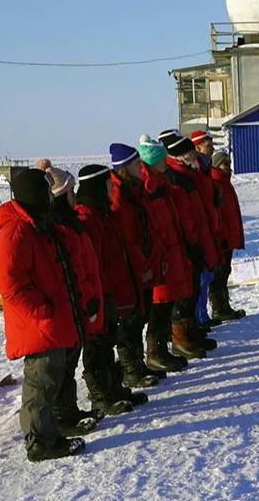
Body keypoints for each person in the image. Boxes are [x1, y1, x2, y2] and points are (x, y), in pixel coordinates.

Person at [0, 169, 87, 461]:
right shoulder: (17, 231)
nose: (51, 196)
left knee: (53, 378)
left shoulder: (38, 224)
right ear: (34, 194)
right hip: (37, 323)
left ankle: (51, 431)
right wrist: (41, 310)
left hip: (50, 320)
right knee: (40, 383)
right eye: (45, 191)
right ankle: (39, 443)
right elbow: (9, 282)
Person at [76, 163, 154, 406]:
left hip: (113, 290)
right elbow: (94, 263)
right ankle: (101, 394)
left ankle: (114, 386)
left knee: (109, 340)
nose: (112, 189)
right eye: (108, 185)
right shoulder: (88, 218)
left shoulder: (104, 214)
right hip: (101, 293)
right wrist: (103, 292)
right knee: (97, 345)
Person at [44, 168, 110, 430]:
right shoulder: (59, 228)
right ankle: (62, 416)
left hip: (82, 300)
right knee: (65, 362)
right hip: (71, 303)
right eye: (70, 191)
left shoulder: (71, 223)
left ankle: (69, 411)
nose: (74, 195)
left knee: (71, 359)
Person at [108, 143, 182, 376]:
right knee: (133, 320)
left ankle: (145, 360)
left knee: (142, 315)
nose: (141, 167)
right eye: (136, 164)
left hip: (149, 261)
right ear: (125, 167)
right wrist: (142, 267)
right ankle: (133, 366)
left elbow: (150, 229)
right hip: (137, 267)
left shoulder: (136, 191)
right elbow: (129, 239)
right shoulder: (121, 197)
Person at [136, 136, 206, 365]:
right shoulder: (150, 188)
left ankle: (175, 342)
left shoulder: (161, 185)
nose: (165, 162)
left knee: (175, 298)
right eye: (161, 159)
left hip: (173, 250)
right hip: (162, 254)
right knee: (161, 304)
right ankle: (157, 351)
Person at [160, 130, 221, 347]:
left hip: (200, 235)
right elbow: (184, 216)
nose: (195, 155)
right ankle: (182, 337)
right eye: (191, 152)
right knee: (187, 292)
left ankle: (192, 330)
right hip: (188, 241)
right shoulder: (176, 177)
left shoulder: (190, 173)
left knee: (195, 287)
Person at [208, 150, 246, 320]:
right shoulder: (216, 183)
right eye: (225, 164)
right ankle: (218, 308)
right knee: (218, 275)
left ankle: (224, 306)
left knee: (225, 272)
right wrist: (221, 234)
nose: (228, 167)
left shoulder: (225, 182)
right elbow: (217, 213)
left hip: (228, 236)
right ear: (217, 165)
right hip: (221, 238)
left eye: (229, 164)